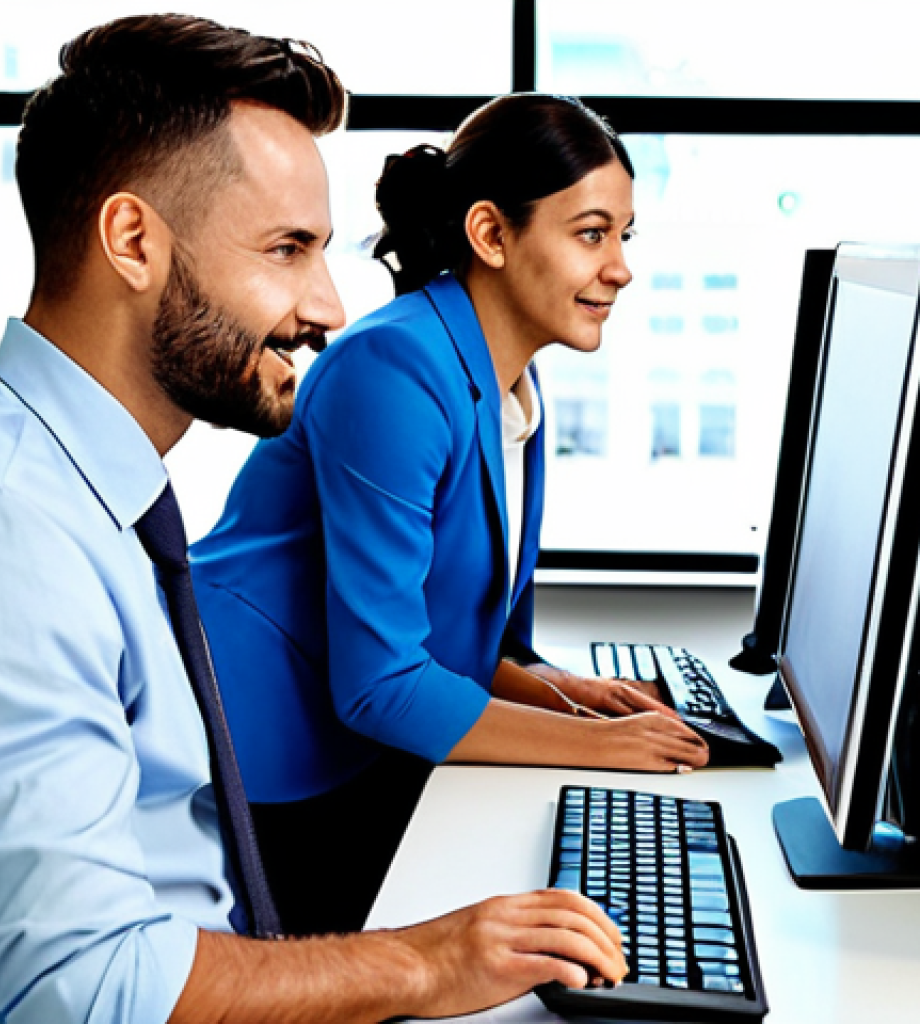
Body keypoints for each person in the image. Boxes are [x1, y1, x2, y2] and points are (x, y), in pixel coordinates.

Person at [0, 15, 628, 1024]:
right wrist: (419, 962)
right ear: (133, 241)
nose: (328, 307)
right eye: (287, 250)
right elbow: (92, 988)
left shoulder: (87, 492)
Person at [190, 92, 710, 936]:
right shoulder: (394, 365)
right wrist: (597, 746)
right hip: (269, 764)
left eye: (624, 236)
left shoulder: (509, 385)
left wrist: (565, 694)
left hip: (361, 750)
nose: (619, 268)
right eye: (590, 233)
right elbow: (383, 683)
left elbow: (457, 640)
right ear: (492, 236)